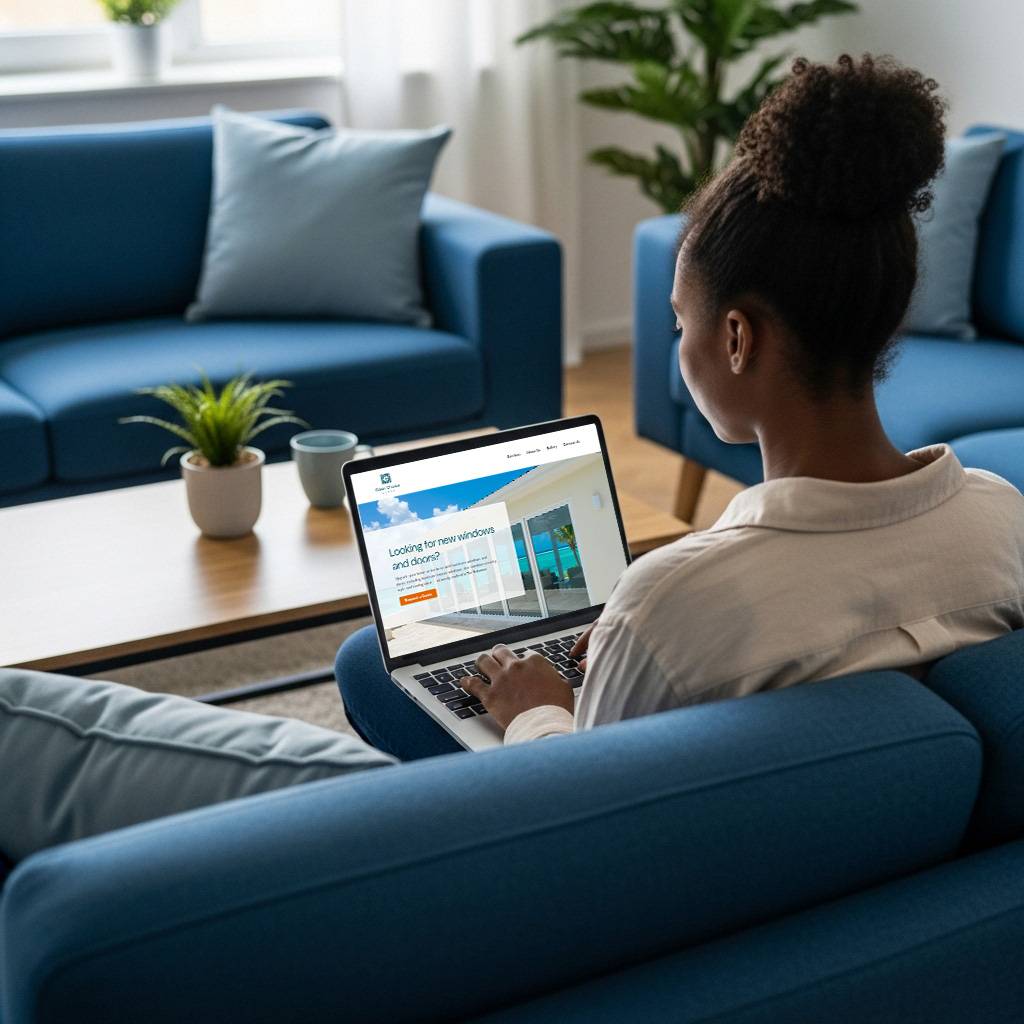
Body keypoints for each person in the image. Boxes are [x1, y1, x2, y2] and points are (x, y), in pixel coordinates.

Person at [340, 53, 1024, 755]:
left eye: (678, 322)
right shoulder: (1004, 517)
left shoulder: (673, 602)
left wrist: (535, 712)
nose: (676, 342)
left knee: (369, 665)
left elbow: (590, 813)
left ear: (736, 338)